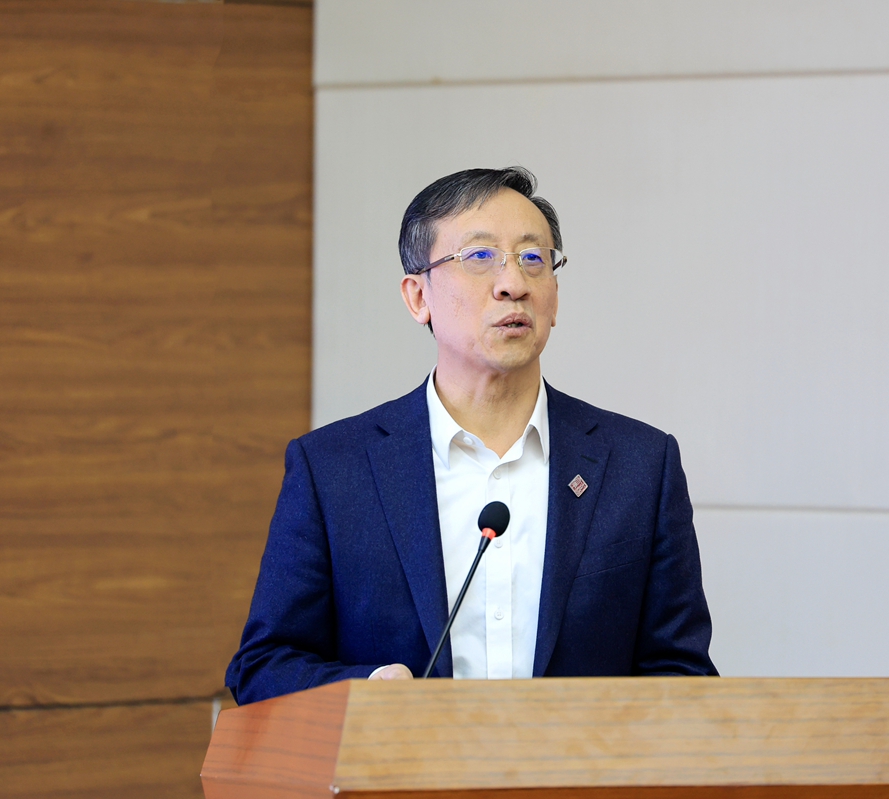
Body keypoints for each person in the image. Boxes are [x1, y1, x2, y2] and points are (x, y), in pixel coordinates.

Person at [226, 167, 716, 703]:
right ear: (419, 297)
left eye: (534, 258)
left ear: (554, 296)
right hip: (403, 759)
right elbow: (264, 667)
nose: (514, 283)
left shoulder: (640, 465)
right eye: (480, 256)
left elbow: (681, 675)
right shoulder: (333, 470)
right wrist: (370, 693)